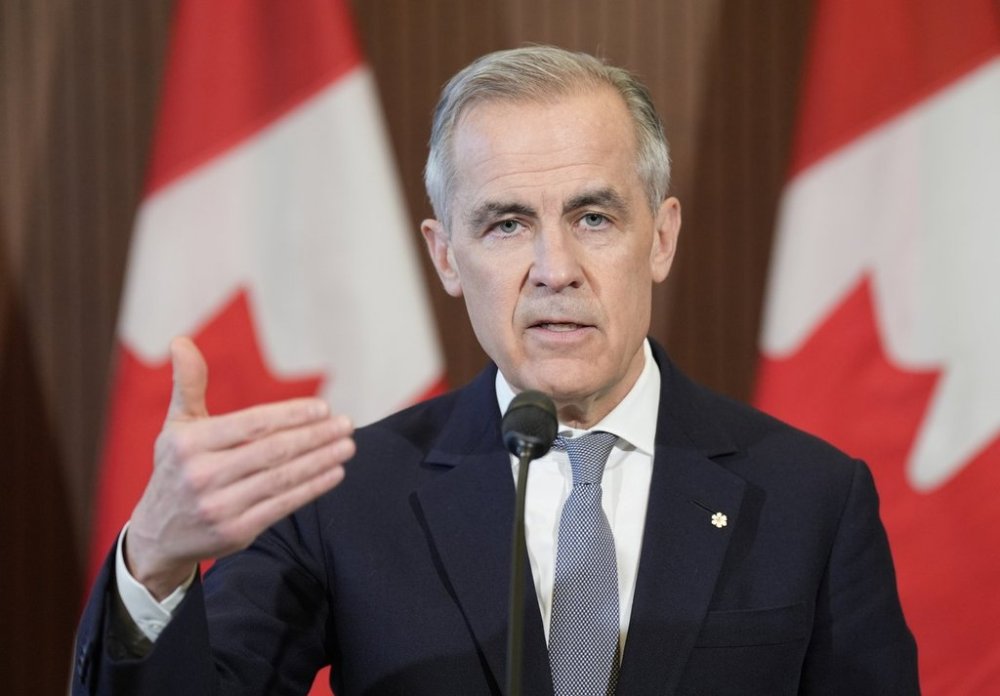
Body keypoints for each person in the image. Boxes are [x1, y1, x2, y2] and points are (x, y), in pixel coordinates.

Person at [73, 46, 919, 695]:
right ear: (446, 258)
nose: (555, 268)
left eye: (593, 216)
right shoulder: (347, 496)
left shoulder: (812, 498)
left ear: (659, 238)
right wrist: (154, 558)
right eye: (507, 225)